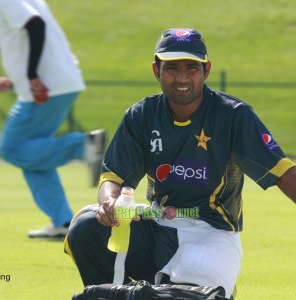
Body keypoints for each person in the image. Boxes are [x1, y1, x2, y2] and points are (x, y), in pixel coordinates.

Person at [64, 28, 296, 299]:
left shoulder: (233, 115)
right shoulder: (141, 115)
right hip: (157, 221)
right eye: (172, 68)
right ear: (156, 70)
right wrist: (109, 202)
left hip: (210, 231)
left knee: (196, 296)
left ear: (206, 70)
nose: (182, 77)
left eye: (191, 68)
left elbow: (282, 172)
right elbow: (113, 176)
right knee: (87, 224)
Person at [0, 0, 106, 238]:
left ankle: (84, 145)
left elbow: (34, 25)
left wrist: (31, 75)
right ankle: (63, 221)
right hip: (60, 83)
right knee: (33, 157)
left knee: (12, 148)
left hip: (45, 87)